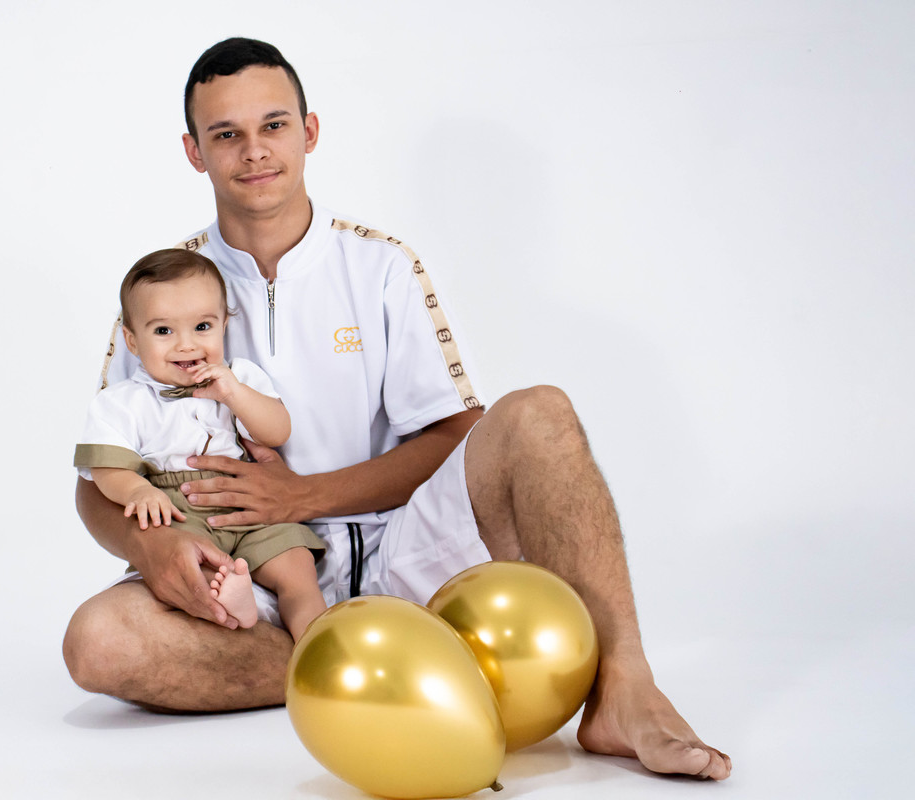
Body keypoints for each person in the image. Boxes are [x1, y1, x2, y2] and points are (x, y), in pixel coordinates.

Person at [63, 37, 732, 781]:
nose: (254, 151)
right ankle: (383, 656)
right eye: (226, 134)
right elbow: (98, 480)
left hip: (402, 552)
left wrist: (305, 496)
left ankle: (623, 688)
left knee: (540, 413)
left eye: (274, 125)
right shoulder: (162, 291)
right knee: (98, 643)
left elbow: (456, 435)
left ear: (309, 132)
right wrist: (153, 550)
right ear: (195, 151)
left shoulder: (380, 264)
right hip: (248, 579)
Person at [73, 248, 328, 642]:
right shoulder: (122, 402)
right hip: (179, 511)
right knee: (194, 572)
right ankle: (237, 603)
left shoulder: (239, 377)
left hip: (250, 507)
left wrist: (234, 394)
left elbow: (276, 432)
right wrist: (138, 491)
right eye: (163, 331)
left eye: (202, 327)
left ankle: (319, 643)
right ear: (132, 341)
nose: (186, 345)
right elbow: (107, 468)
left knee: (297, 569)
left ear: (224, 325)